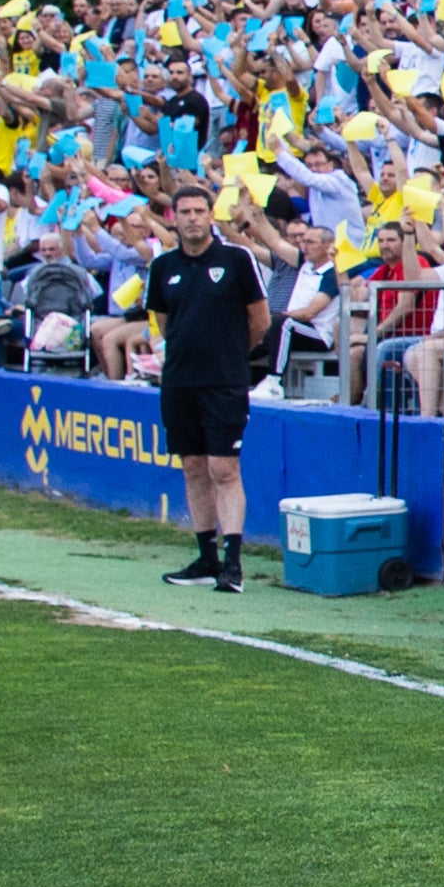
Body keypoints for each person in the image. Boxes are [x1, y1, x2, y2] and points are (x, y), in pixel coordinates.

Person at [139, 184, 267, 593]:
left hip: (225, 381)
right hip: (179, 381)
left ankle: (233, 563)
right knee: (193, 467)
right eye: (185, 212)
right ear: (173, 217)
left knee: (223, 468)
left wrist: (229, 354)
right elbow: (163, 321)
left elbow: (259, 321)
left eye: (199, 211)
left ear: (211, 215)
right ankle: (206, 558)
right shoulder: (163, 267)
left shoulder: (236, 259)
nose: (193, 218)